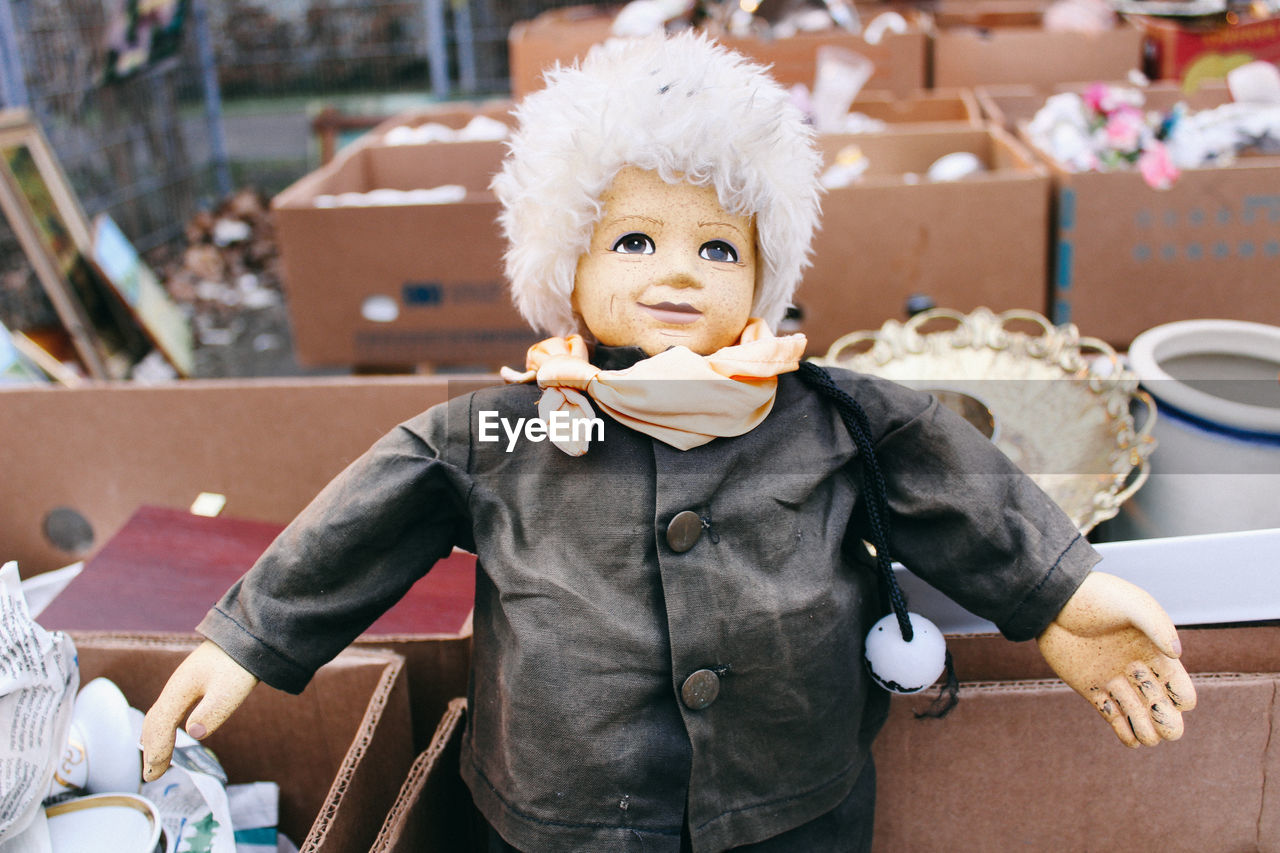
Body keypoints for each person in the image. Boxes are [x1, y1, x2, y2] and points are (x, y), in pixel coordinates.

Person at [142, 32, 1195, 852]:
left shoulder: (820, 415)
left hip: (791, 801)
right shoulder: (517, 423)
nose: (677, 270)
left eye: (716, 244)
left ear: (760, 271)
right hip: (561, 813)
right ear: (569, 262)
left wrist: (1062, 595)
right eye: (635, 238)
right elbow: (380, 505)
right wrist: (251, 639)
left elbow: (947, 483)